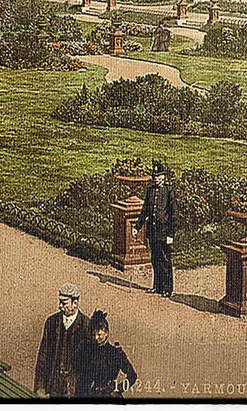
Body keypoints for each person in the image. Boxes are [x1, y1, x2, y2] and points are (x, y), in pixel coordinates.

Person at [35, 284, 90, 398]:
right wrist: (39, 387)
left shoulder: (87, 325)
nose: (60, 306)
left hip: (75, 390)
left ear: (75, 303)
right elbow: (42, 356)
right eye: (59, 302)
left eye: (64, 303)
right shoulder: (51, 322)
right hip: (52, 385)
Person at [76, 311, 137, 398]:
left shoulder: (115, 353)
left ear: (106, 333)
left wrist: (118, 389)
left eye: (99, 334)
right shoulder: (86, 350)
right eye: (93, 335)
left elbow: (132, 376)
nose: (96, 338)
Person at [139, 163, 177, 297]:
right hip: (153, 232)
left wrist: (170, 234)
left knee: (165, 260)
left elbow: (173, 214)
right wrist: (137, 227)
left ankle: (167, 288)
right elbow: (145, 210)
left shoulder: (168, 191)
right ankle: (157, 286)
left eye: (158, 176)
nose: (156, 178)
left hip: (164, 232)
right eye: (154, 176)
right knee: (155, 259)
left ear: (164, 176)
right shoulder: (150, 190)